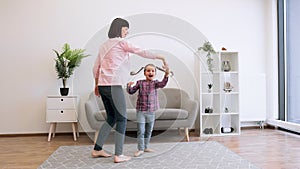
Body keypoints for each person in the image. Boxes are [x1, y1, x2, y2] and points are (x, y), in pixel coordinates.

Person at [91, 18, 168, 163]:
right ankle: (118, 154)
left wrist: (96, 85)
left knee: (111, 118)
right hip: (114, 86)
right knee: (122, 119)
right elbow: (142, 52)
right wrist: (160, 56)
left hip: (103, 85)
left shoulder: (103, 46)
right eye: (126, 28)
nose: (127, 31)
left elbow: (96, 68)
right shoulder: (121, 43)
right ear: (119, 28)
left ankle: (97, 149)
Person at [126, 64, 170, 157]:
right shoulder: (140, 83)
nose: (150, 72)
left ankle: (145, 147)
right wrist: (129, 86)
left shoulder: (156, 83)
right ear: (144, 73)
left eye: (153, 71)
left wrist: (166, 75)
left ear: (155, 73)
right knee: (141, 130)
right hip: (141, 111)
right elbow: (131, 91)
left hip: (151, 111)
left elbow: (163, 84)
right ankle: (140, 149)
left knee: (149, 130)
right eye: (148, 71)